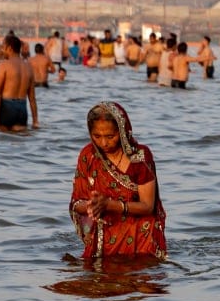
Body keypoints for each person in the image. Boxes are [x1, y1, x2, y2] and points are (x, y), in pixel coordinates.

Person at [68, 101, 167, 260]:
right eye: (97, 136)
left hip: (140, 237)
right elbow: (76, 202)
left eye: (110, 136)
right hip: (104, 237)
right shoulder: (88, 155)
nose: (104, 143)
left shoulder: (140, 157)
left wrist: (109, 204)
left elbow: (148, 206)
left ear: (122, 131)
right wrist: (92, 206)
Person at [0, 35, 37, 131]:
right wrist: (35, 121)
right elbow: (32, 98)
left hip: (7, 107)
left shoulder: (4, 64)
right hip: (22, 108)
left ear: (9, 48)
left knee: (3, 141)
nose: (2, 50)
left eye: (3, 47)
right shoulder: (29, 67)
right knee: (19, 142)